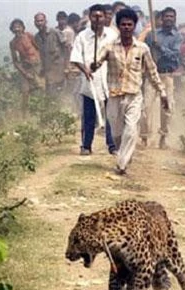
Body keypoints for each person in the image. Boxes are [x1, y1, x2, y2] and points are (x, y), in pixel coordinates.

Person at [91, 8, 168, 175]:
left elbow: (152, 71)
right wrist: (94, 65)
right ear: (118, 26)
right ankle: (123, 154)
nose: (126, 27)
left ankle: (122, 164)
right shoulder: (109, 47)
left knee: (131, 129)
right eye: (123, 24)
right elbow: (97, 61)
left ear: (134, 27)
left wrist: (162, 92)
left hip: (133, 95)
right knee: (117, 134)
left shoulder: (142, 48)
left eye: (129, 24)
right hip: (114, 96)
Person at [70, 4, 118, 156]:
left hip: (110, 80)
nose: (97, 20)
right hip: (89, 81)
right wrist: (86, 70)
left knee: (111, 115)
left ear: (105, 18)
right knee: (89, 116)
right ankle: (86, 145)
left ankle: (112, 145)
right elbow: (76, 57)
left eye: (100, 16)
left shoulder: (112, 35)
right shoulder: (82, 36)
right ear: (89, 17)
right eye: (94, 16)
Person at [144, 7, 181, 149]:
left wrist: (160, 48)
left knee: (167, 108)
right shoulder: (152, 34)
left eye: (172, 16)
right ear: (162, 18)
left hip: (167, 75)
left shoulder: (176, 37)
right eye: (167, 16)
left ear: (175, 19)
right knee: (146, 106)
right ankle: (145, 137)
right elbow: (145, 52)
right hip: (152, 74)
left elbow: (175, 55)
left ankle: (163, 137)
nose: (169, 19)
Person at [9, 18, 44, 116]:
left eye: (18, 27)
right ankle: (24, 116)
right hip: (25, 68)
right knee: (25, 92)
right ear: (12, 29)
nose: (17, 29)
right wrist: (25, 73)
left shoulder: (29, 36)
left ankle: (41, 111)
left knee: (41, 88)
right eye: (14, 27)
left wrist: (42, 64)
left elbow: (39, 49)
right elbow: (15, 61)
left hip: (37, 65)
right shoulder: (13, 43)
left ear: (22, 28)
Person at [34, 12, 67, 100]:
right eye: (37, 21)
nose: (39, 23)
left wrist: (67, 67)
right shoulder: (37, 37)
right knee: (50, 95)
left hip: (60, 70)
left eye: (41, 20)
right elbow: (40, 55)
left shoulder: (55, 32)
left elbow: (67, 48)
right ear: (35, 23)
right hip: (48, 72)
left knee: (63, 95)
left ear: (46, 21)